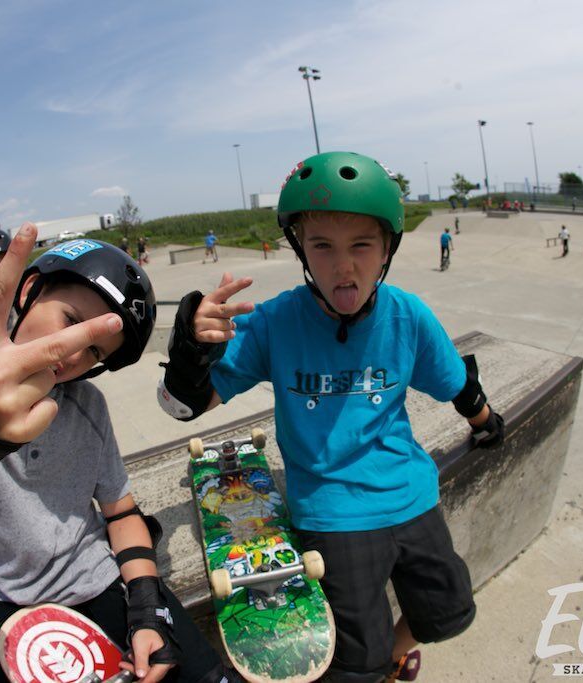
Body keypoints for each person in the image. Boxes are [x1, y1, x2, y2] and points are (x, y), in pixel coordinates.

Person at [156, 152, 505, 682]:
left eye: (361, 245)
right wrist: (190, 353)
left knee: (450, 612)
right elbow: (183, 406)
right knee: (353, 665)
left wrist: (485, 423)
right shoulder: (276, 323)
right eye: (322, 246)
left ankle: (395, 653)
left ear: (387, 247)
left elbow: (458, 383)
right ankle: (377, 664)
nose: (344, 266)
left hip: (410, 491)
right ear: (300, 249)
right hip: (331, 508)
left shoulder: (407, 316)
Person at [0, 226, 238, 683]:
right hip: (18, 604)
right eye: (71, 321)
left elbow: (121, 511)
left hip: (103, 579)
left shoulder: (86, 406)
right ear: (30, 291)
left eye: (94, 349)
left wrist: (148, 604)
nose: (73, 352)